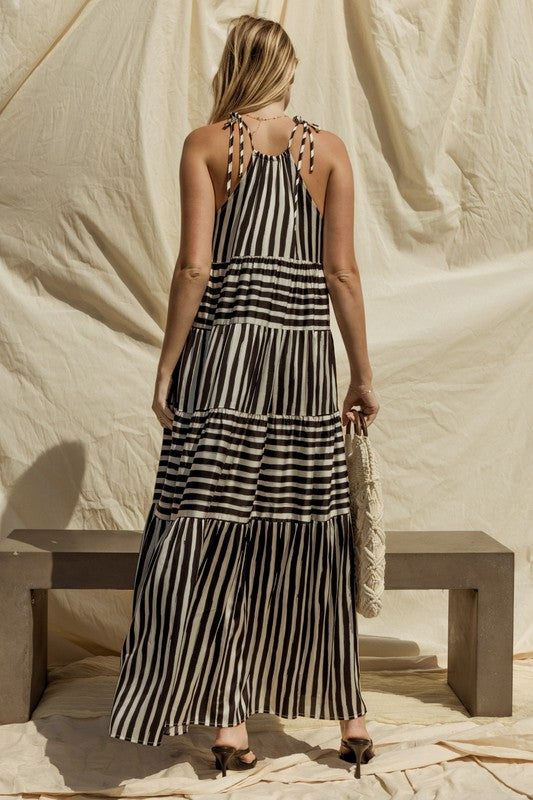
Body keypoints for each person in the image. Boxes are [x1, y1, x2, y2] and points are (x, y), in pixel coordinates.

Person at [108, 13, 380, 781]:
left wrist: (167, 367)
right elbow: (343, 275)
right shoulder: (324, 151)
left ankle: (228, 725)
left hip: (224, 365)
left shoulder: (207, 143)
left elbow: (194, 267)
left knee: (212, 530)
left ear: (233, 68)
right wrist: (360, 374)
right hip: (299, 365)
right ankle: (350, 718)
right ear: (285, 69)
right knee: (311, 532)